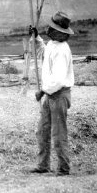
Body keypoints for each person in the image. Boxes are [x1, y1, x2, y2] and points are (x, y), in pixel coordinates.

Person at [29, 11, 74, 176]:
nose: (49, 29)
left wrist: (42, 91)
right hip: (50, 95)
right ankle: (43, 165)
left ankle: (63, 167)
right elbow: (44, 50)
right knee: (42, 131)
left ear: (61, 33)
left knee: (58, 132)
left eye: (52, 28)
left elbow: (59, 80)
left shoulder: (62, 50)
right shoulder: (53, 44)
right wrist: (37, 38)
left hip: (59, 95)